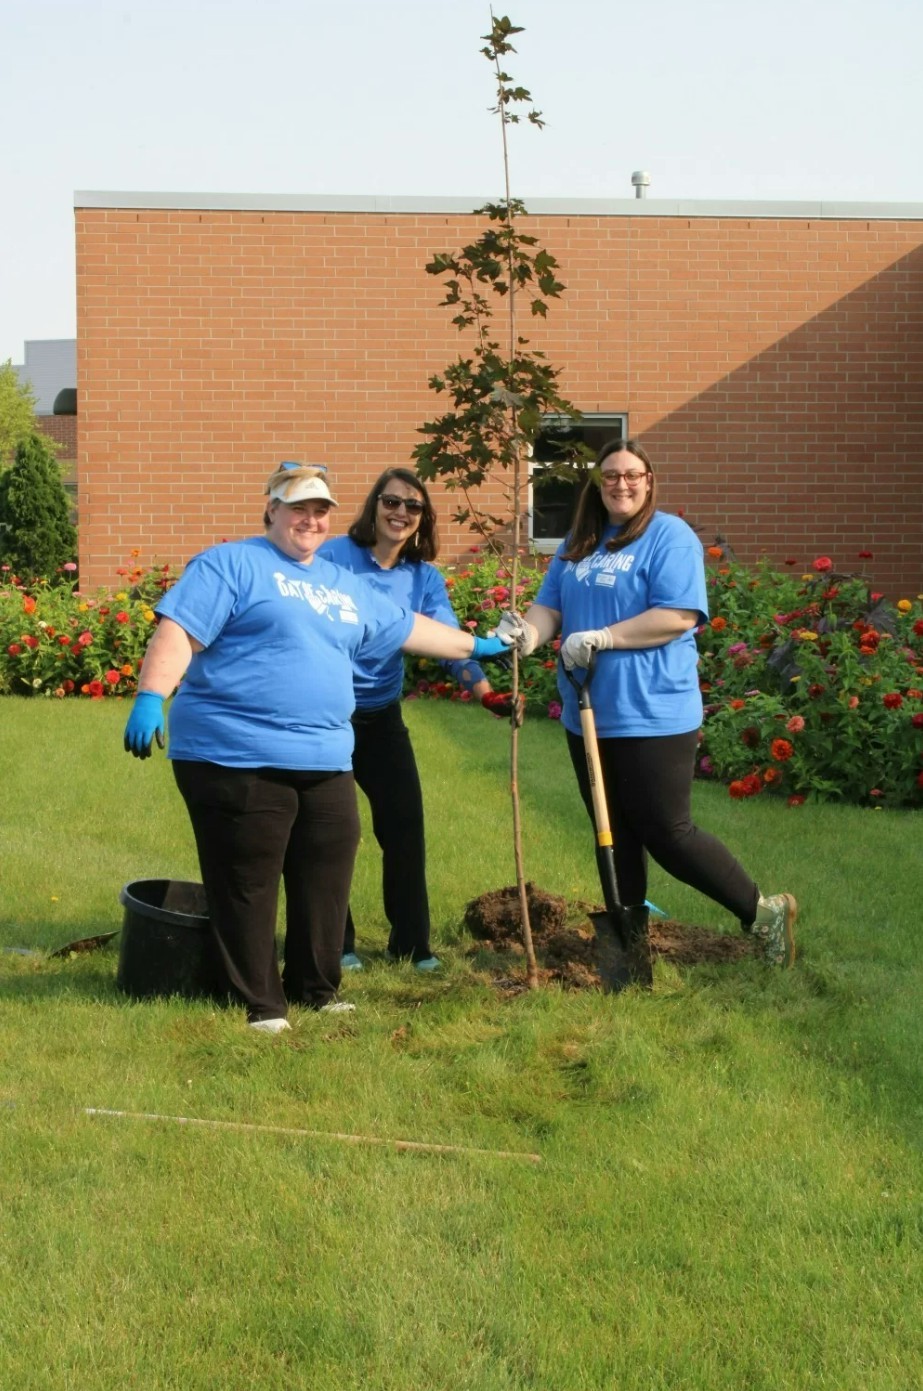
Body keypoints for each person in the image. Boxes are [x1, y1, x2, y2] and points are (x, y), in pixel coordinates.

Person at [123, 463, 511, 1033]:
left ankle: (315, 988)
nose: (311, 519)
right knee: (250, 877)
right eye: (298, 507)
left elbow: (408, 628)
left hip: (326, 755)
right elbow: (179, 629)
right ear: (272, 510)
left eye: (321, 510)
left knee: (327, 870)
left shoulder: (340, 584)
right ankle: (261, 1003)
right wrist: (152, 694)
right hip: (236, 753)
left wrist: (481, 644)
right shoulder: (232, 563)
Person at [496, 439, 797, 967]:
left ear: (649, 480)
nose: (622, 484)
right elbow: (551, 607)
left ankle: (761, 912)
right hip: (588, 711)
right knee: (612, 832)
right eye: (610, 475)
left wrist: (604, 637)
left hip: (653, 710)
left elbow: (678, 614)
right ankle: (628, 946)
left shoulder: (669, 537)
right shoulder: (582, 539)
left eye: (632, 474)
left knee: (667, 831)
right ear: (597, 484)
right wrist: (528, 633)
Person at [320, 467, 519, 972]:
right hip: (327, 717)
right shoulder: (335, 558)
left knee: (405, 829)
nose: (401, 513)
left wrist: (485, 693)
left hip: (382, 718)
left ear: (422, 518)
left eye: (413, 507)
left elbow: (449, 640)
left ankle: (412, 946)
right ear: (374, 507)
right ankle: (335, 945)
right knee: (332, 833)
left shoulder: (422, 577)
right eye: (391, 502)